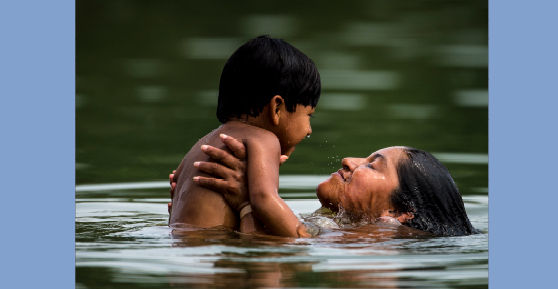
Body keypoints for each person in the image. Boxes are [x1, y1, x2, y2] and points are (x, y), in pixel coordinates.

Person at [168, 35, 321, 238]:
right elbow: (264, 199)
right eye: (308, 115)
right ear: (276, 108)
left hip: (182, 252)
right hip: (216, 255)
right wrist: (302, 235)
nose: (309, 129)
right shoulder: (264, 140)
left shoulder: (201, 145)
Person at [188, 134, 477, 237]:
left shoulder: (376, 240)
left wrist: (248, 201)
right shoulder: (343, 227)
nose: (349, 160)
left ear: (397, 211)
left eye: (372, 165)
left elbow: (268, 254)